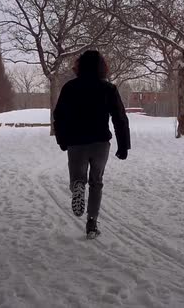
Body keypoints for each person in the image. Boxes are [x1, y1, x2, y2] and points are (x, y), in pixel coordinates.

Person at [54, 50, 131, 240]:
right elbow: (120, 118)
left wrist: (62, 140)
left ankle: (78, 187)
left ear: (79, 66)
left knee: (77, 178)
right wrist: (123, 145)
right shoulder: (108, 89)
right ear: (101, 67)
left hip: (76, 143)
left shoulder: (69, 88)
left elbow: (59, 116)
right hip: (100, 143)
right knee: (96, 182)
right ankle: (91, 224)